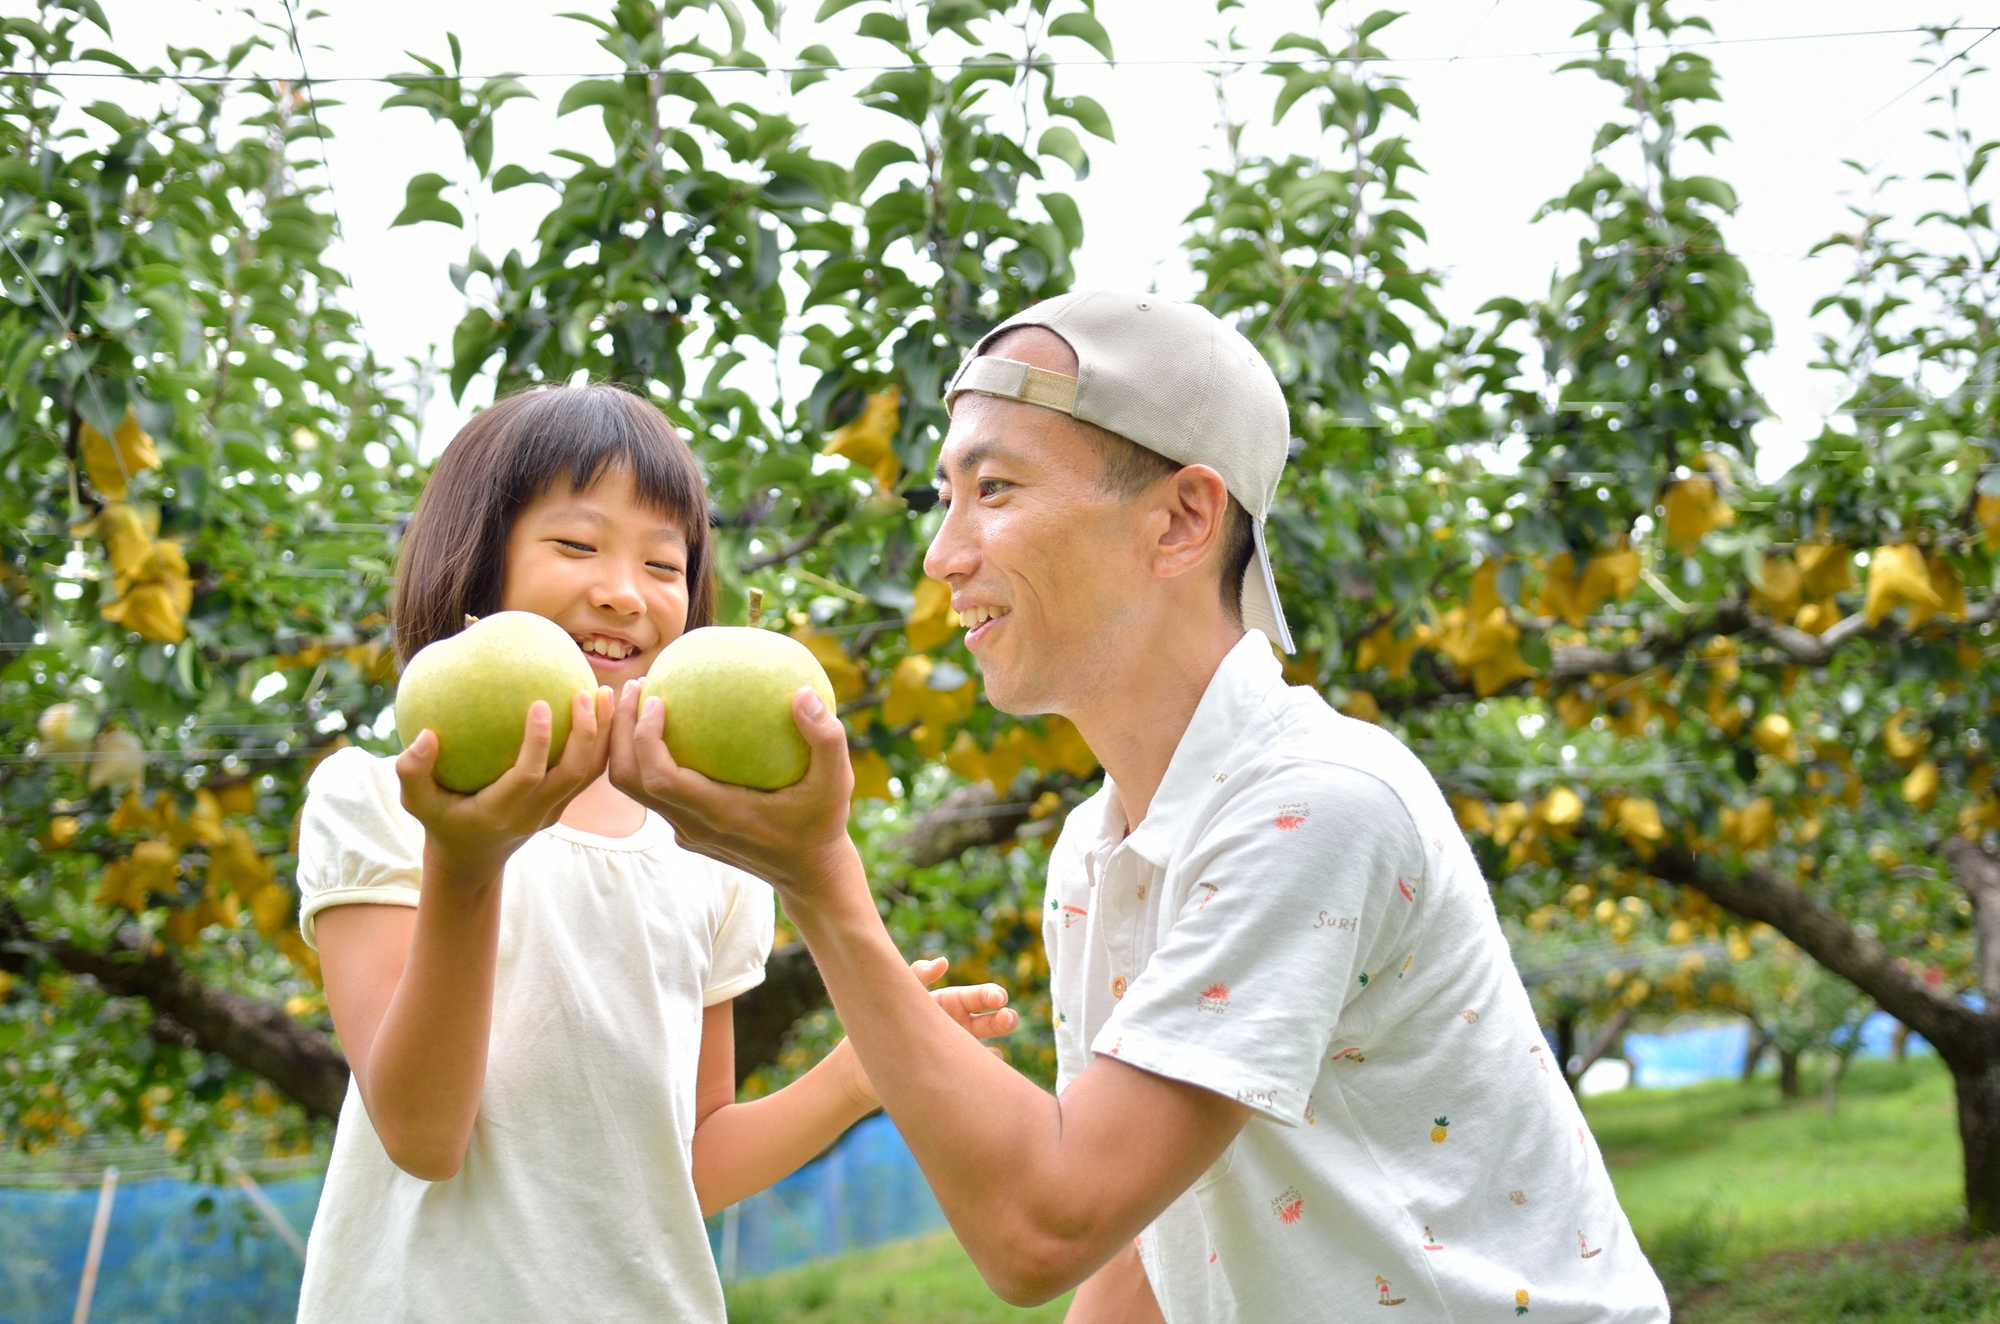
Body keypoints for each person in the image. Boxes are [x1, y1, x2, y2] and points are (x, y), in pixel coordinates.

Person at [609, 293, 1670, 1322]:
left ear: (1180, 519)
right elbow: (1143, 1239)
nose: (942, 556)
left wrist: (817, 877)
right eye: (945, 498)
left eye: (995, 490)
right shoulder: (1092, 852)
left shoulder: (1317, 807)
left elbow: (1044, 1225)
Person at [293, 384, 1013, 1324]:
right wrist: (467, 864)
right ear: (475, 569)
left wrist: (854, 1077)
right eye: (577, 545)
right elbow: (423, 1135)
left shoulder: (708, 852)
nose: (624, 592)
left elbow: (687, 1160)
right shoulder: (386, 801)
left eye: (664, 563)